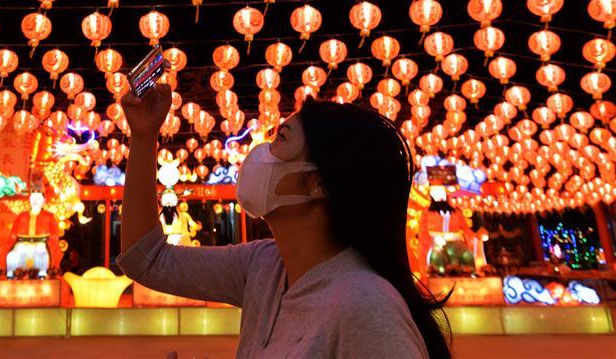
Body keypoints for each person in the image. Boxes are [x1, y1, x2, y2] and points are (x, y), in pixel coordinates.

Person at [118, 83, 451, 359]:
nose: (260, 153)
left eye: (280, 140)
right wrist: (144, 136)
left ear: (317, 183)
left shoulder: (367, 306)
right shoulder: (264, 267)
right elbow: (147, 259)